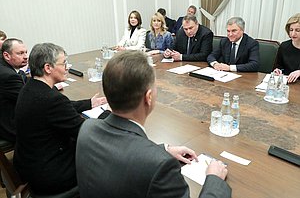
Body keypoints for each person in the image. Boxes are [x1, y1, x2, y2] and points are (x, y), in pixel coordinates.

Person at [76, 51, 231, 198]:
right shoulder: (161, 167)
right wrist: (214, 180)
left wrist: (163, 150)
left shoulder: (87, 128)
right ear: (148, 97)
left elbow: (121, 151)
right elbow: (138, 158)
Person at [13, 43, 107, 196]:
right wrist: (108, 115)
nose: (67, 67)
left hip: (29, 164)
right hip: (50, 175)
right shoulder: (52, 100)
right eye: (63, 63)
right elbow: (86, 133)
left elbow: (63, 107)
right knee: (103, 157)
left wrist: (90, 103)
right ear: (48, 68)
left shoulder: (31, 88)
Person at [0, 38, 28, 143]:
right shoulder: (8, 76)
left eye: (26, 52)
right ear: (6, 55)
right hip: (9, 127)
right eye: (20, 53)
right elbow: (31, 100)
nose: (26, 57)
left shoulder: (4, 67)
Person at [274, 13, 300, 83]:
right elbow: (278, 66)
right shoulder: (284, 46)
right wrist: (278, 71)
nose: (293, 34)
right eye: (291, 30)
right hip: (286, 83)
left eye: (297, 30)